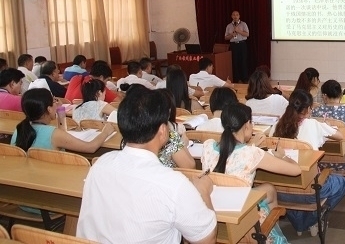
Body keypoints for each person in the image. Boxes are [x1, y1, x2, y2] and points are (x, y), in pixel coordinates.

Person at [77, 86, 216, 244]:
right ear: (163, 131)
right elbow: (207, 240)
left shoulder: (100, 165)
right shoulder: (173, 184)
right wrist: (203, 192)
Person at [202, 102, 301, 244]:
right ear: (247, 125)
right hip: (242, 217)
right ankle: (271, 236)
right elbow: (296, 170)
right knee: (265, 194)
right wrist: (282, 156)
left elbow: (230, 157)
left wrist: (250, 145)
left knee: (269, 189)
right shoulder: (252, 153)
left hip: (214, 213)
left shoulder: (207, 146)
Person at [272, 90, 345, 236]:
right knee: (343, 183)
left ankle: (299, 223)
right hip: (310, 192)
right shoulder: (313, 124)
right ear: (308, 109)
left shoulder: (276, 126)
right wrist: (326, 126)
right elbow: (340, 136)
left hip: (280, 192)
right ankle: (312, 219)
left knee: (296, 188)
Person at [11, 88, 115, 152]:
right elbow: (90, 147)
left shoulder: (19, 129)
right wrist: (105, 132)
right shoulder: (53, 134)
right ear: (49, 109)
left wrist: (60, 112)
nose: (56, 104)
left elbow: (62, 135)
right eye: (53, 102)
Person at [155, 89, 196, 169]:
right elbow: (191, 167)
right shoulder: (170, 137)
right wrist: (181, 144)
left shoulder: (133, 137)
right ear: (169, 111)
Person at [224, 10, 249, 83]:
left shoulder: (243, 24)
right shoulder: (229, 26)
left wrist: (239, 31)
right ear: (231, 16)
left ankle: (244, 78)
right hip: (233, 45)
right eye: (234, 15)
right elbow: (226, 37)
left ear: (239, 16)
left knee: (243, 61)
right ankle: (237, 79)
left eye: (237, 15)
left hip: (242, 44)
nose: (235, 16)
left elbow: (247, 34)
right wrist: (231, 35)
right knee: (234, 62)